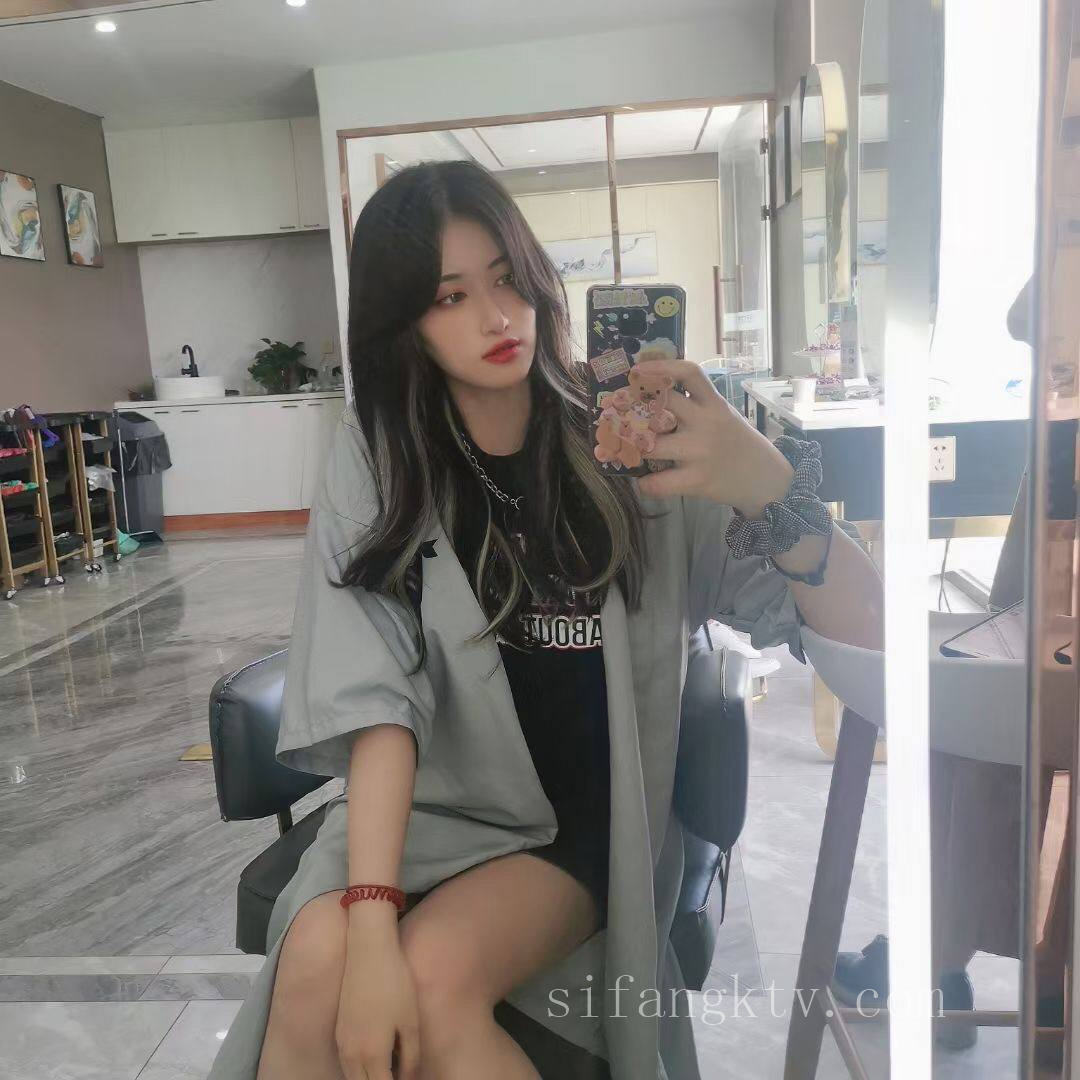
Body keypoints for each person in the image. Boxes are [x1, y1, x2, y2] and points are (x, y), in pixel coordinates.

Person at [208, 160, 882, 1080]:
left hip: (584, 826)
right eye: (450, 297)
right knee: (316, 962)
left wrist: (769, 484)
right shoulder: (381, 456)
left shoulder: (633, 446)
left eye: (508, 280)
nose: (496, 318)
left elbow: (867, 640)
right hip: (434, 809)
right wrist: (366, 920)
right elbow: (374, 700)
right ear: (402, 323)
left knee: (431, 982)